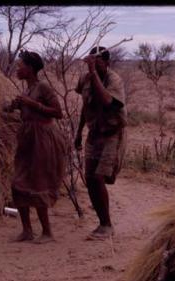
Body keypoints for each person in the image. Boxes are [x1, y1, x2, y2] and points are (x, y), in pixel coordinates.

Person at [10, 50, 67, 243]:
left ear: (30, 68)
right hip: (27, 138)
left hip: (42, 138)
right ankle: (27, 230)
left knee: (39, 182)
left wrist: (32, 104)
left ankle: (47, 232)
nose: (17, 69)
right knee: (18, 182)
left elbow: (57, 113)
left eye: (20, 65)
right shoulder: (28, 89)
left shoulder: (42, 87)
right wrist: (17, 105)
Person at [74, 46, 128, 240]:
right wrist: (79, 132)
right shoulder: (85, 80)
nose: (94, 68)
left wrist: (92, 73)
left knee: (99, 178)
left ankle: (106, 225)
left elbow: (107, 100)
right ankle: (102, 222)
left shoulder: (114, 80)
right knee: (89, 179)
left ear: (107, 63)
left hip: (112, 133)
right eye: (92, 64)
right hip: (94, 133)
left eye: (98, 64)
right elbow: (85, 106)